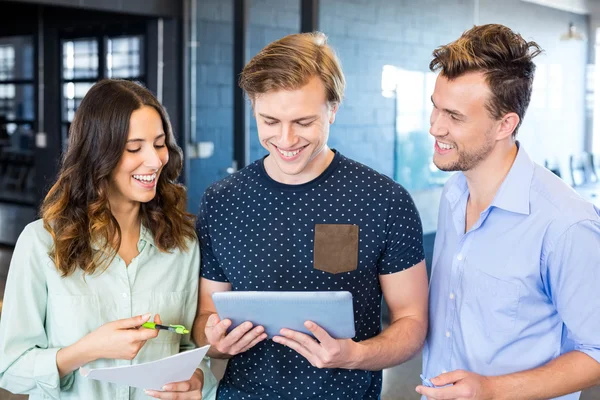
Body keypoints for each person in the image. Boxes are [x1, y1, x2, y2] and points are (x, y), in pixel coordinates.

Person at [192, 31, 429, 399]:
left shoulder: (384, 201)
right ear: (253, 105)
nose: (285, 140)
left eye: (303, 123)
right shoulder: (221, 201)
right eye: (270, 121)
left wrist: (356, 355)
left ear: (333, 109)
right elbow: (206, 313)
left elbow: (412, 322)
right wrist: (216, 341)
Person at [0, 79, 217, 400]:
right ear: (97, 153)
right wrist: (86, 350)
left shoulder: (182, 244)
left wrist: (199, 379)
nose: (155, 160)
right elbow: (10, 369)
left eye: (159, 144)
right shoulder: (41, 243)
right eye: (134, 148)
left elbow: (187, 345)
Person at [418, 24, 600, 400]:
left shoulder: (566, 224)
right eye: (435, 107)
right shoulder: (454, 191)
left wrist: (490, 390)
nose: (435, 126)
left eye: (454, 116)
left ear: (505, 124)